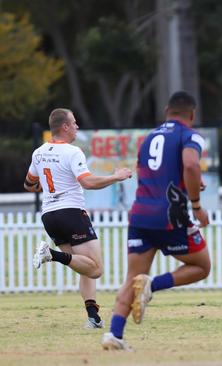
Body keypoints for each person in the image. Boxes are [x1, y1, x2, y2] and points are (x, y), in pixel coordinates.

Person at [101, 91, 211, 350]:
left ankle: (114, 334)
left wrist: (190, 182)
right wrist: (196, 206)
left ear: (166, 110)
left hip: (141, 214)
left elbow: (157, 173)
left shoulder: (149, 138)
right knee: (202, 266)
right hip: (171, 216)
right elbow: (192, 165)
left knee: (132, 277)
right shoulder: (190, 135)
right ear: (192, 114)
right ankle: (153, 285)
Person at [25, 108, 132, 328]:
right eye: (74, 123)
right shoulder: (72, 152)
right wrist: (116, 176)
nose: (77, 126)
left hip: (50, 216)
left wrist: (49, 185)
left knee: (82, 266)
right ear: (64, 126)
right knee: (96, 268)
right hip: (71, 212)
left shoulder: (38, 152)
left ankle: (93, 317)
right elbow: (88, 182)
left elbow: (29, 184)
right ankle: (51, 255)